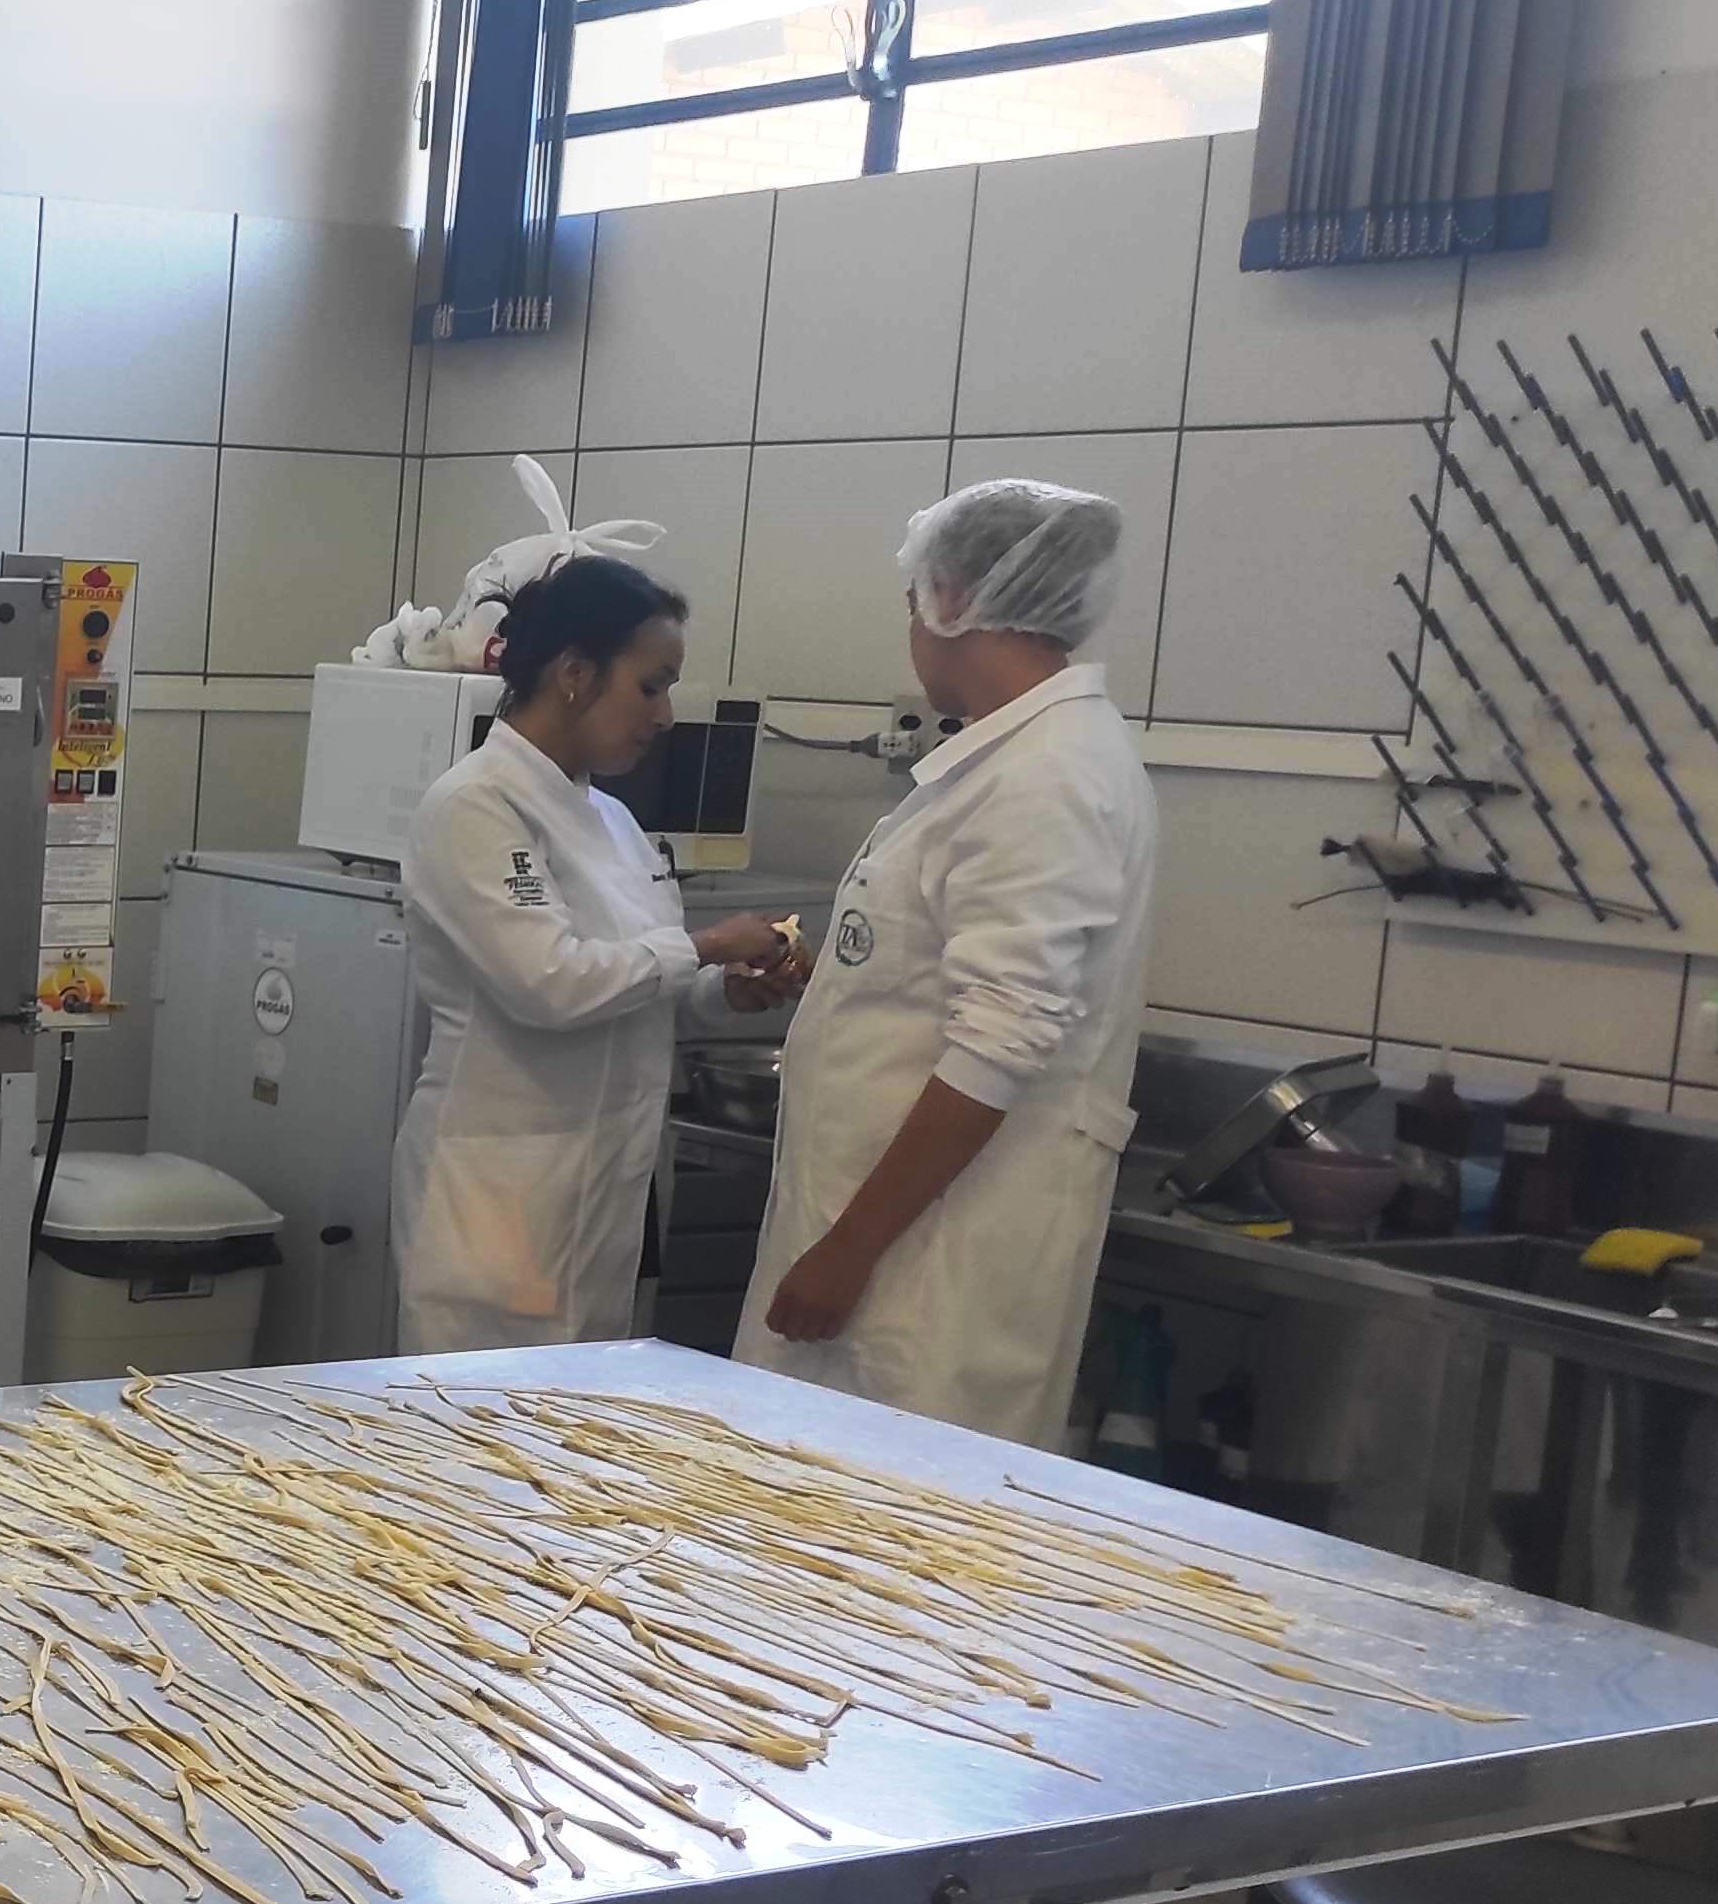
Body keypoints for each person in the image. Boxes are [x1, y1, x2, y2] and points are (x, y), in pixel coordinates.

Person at [739, 478, 1156, 1444]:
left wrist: (849, 1249)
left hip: (923, 1282)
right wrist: (842, 980)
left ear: (954, 597)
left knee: (881, 1514)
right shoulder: (1008, 762)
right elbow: (955, 973)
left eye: (912, 600)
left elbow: (1000, 1042)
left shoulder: (1048, 776)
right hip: (888, 1255)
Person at [392, 550, 799, 1353]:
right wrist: (706, 945)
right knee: (480, 1415)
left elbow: (642, 992)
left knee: (583, 1409)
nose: (666, 715)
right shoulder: (476, 806)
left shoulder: (612, 819)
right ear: (575, 673)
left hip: (608, 1186)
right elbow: (549, 983)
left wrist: (721, 991)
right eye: (651, 686)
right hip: (504, 1189)